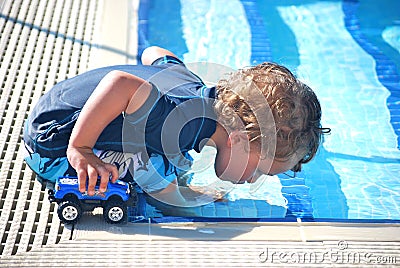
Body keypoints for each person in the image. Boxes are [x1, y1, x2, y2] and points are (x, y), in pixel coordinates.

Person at [23, 46, 330, 208]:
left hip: (54, 108)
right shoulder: (182, 125)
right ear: (237, 140)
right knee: (158, 175)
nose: (252, 181)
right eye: (259, 171)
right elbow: (120, 83)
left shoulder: (192, 85)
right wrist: (81, 148)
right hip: (52, 145)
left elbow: (156, 53)